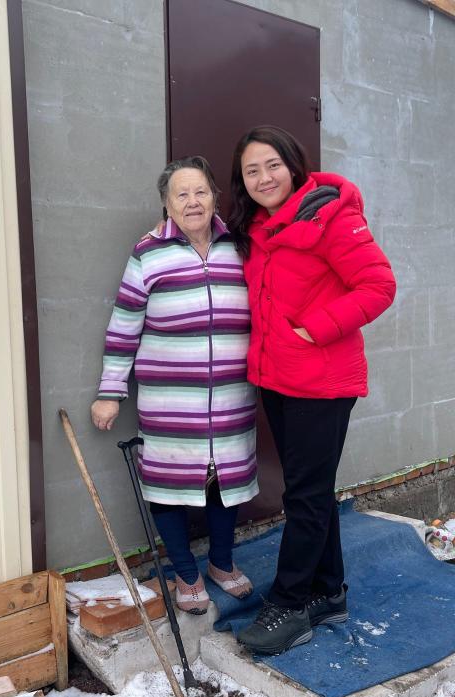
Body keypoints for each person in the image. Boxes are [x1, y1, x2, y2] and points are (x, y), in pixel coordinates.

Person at [228, 126, 396, 655]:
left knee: (302, 494)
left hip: (321, 380)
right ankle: (327, 591)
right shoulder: (258, 228)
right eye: (251, 170)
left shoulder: (331, 217)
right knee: (313, 490)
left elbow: (379, 285)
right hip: (278, 378)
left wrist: (316, 327)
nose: (263, 177)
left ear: (294, 165)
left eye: (272, 165)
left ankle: (291, 600)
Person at [91, 156, 258, 614]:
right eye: (180, 194)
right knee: (168, 486)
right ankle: (186, 573)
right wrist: (110, 392)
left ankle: (221, 564)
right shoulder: (148, 253)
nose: (192, 202)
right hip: (169, 399)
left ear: (215, 197)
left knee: (226, 482)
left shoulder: (239, 245)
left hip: (231, 394)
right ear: (166, 204)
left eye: (200, 191)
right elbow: (124, 325)